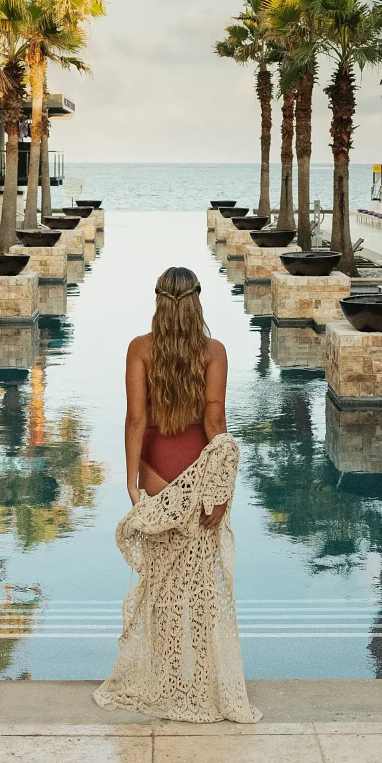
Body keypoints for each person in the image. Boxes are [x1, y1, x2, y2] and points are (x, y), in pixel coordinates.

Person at [94, 266, 258, 722]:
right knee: (202, 590)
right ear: (197, 301)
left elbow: (135, 420)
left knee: (162, 586)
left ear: (158, 301)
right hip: (198, 480)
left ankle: (165, 682)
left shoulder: (140, 349)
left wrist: (133, 481)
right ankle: (203, 684)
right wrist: (219, 491)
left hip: (155, 476)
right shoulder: (214, 351)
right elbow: (215, 426)